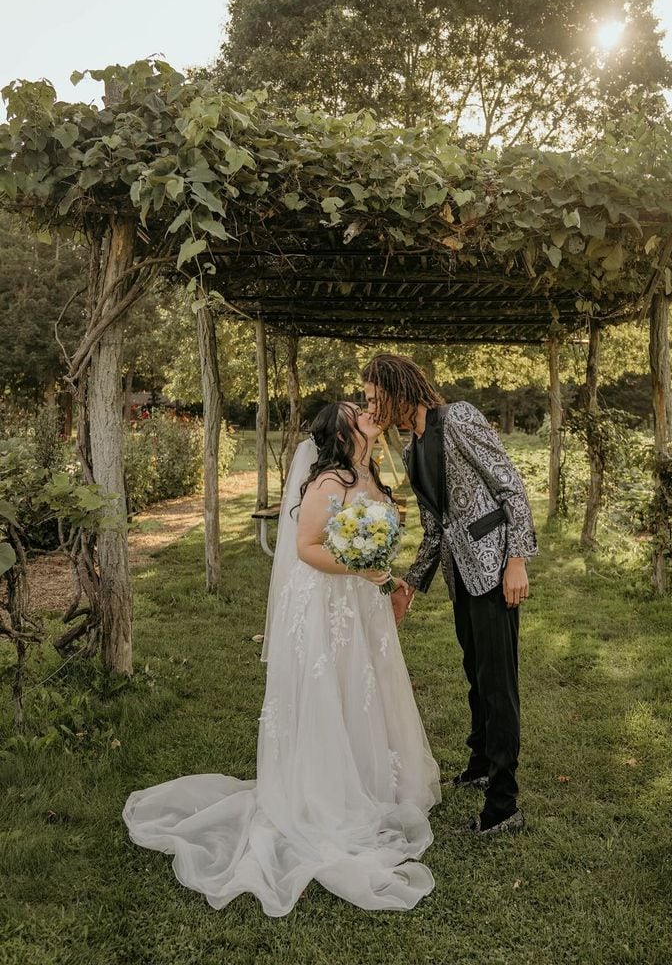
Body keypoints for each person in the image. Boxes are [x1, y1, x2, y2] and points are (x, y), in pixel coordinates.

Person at [123, 402, 440, 916]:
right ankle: (325, 791)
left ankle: (373, 779)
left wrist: (387, 576)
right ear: (341, 432)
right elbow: (307, 546)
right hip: (329, 603)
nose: (367, 410)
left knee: (367, 687)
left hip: (363, 600)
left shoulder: (370, 475)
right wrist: (360, 571)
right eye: (357, 410)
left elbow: (370, 542)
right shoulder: (326, 482)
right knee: (334, 689)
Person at [362, 354, 537, 837]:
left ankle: (504, 804)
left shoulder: (458, 417)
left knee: (499, 684)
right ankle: (481, 762)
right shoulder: (414, 446)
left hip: (497, 567)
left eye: (376, 398)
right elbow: (435, 528)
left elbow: (511, 487)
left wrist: (517, 560)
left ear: (399, 389)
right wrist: (410, 585)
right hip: (461, 576)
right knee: (475, 673)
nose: (371, 408)